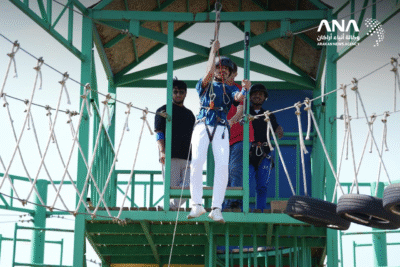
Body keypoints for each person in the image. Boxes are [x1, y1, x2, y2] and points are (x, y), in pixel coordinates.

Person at [187, 40, 251, 223]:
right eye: (219, 68)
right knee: (197, 162)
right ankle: (196, 204)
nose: (222, 71)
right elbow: (207, 74)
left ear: (230, 73)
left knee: (222, 166)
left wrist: (245, 89)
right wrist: (212, 53)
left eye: (226, 69)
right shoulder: (204, 84)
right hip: (203, 123)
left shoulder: (230, 88)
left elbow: (238, 98)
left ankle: (216, 207)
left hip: (221, 126)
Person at [154, 79, 195, 210]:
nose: (178, 94)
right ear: (171, 93)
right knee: (171, 189)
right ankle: (170, 207)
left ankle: (169, 207)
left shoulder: (190, 115)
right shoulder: (162, 110)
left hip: (188, 157)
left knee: (189, 187)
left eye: (181, 92)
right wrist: (162, 151)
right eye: (175, 92)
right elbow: (159, 133)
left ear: (185, 94)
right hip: (171, 156)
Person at [224, 62, 255, 210]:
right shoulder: (219, 90)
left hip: (240, 135)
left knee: (235, 169)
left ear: (234, 74)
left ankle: (234, 202)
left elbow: (241, 109)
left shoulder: (238, 90)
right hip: (225, 138)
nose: (225, 74)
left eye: (229, 71)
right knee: (226, 170)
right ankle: (228, 202)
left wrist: (230, 121)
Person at [248, 84, 283, 211]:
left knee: (262, 186)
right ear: (250, 97)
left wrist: (279, 128)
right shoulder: (245, 113)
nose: (257, 96)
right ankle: (241, 210)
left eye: (260, 94)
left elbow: (276, 128)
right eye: (254, 94)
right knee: (244, 184)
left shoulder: (269, 115)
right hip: (248, 154)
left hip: (264, 154)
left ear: (264, 98)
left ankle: (260, 210)